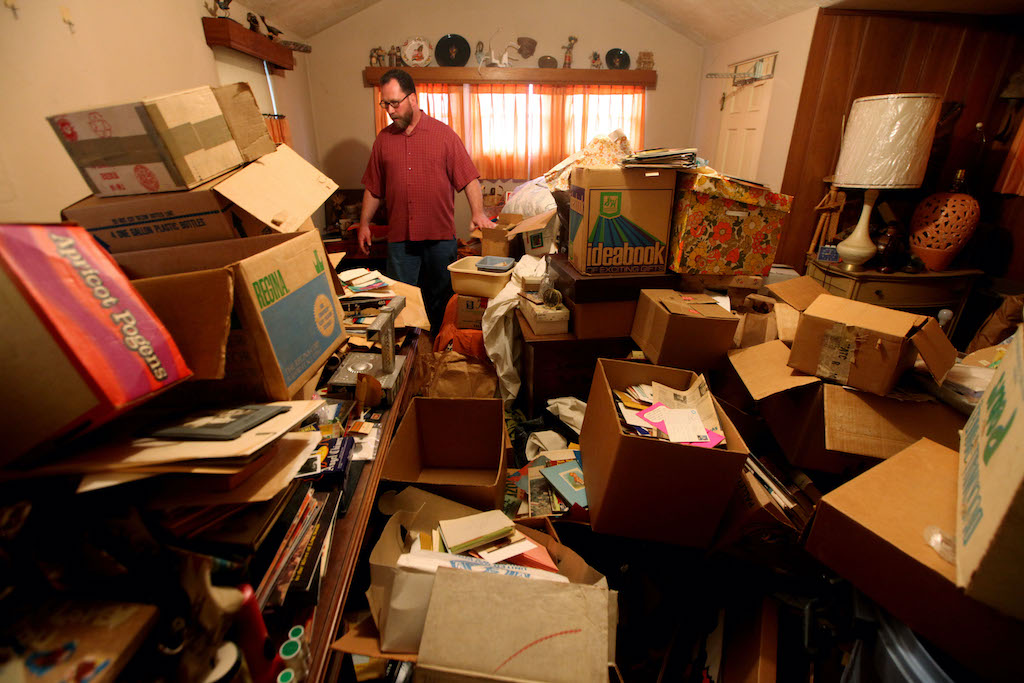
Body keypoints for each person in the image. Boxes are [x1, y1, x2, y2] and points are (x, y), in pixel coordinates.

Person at [357, 69, 491, 334]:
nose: (390, 110)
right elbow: (373, 188)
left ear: (413, 99)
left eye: (395, 103)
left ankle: (438, 350)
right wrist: (364, 224)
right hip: (400, 240)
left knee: (440, 300)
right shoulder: (383, 140)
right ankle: (408, 357)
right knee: (400, 302)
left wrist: (478, 212)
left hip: (439, 238)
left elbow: (468, 178)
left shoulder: (444, 135)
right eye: (386, 104)